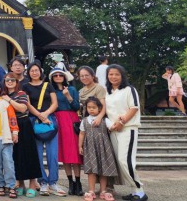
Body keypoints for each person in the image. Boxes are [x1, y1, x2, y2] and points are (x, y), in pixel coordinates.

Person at [23, 62, 66, 196]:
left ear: (40, 72)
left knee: (53, 153)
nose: (34, 73)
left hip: (49, 120)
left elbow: (55, 103)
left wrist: (45, 114)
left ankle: (53, 181)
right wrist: (39, 115)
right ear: (28, 73)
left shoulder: (48, 85)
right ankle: (43, 182)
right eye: (32, 71)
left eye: (36, 70)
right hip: (34, 120)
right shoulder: (26, 86)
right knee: (38, 153)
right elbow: (27, 104)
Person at [105, 64, 147, 201]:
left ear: (122, 76)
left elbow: (134, 107)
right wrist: (111, 125)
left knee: (125, 161)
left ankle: (140, 190)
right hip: (113, 130)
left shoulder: (130, 89)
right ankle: (135, 191)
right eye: (111, 74)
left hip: (128, 128)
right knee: (119, 161)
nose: (113, 77)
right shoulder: (107, 92)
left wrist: (122, 122)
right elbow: (105, 111)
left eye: (116, 74)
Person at [3, 73, 42, 197]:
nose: (9, 82)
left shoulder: (21, 93)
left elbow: (22, 108)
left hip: (24, 125)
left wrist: (9, 100)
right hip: (10, 126)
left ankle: (32, 184)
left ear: (16, 82)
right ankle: (20, 183)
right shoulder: (2, 95)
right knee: (16, 156)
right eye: (7, 80)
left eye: (12, 80)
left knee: (29, 154)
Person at [49, 65, 83, 196]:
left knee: (74, 151)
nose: (58, 77)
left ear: (64, 76)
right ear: (52, 78)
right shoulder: (51, 91)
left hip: (71, 118)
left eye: (60, 75)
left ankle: (78, 182)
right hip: (58, 120)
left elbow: (75, 107)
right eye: (55, 75)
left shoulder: (72, 89)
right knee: (64, 151)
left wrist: (68, 95)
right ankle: (70, 182)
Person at [78, 97, 117, 201]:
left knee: (104, 169)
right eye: (89, 107)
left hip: (104, 147)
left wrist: (119, 122)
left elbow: (112, 127)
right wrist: (80, 146)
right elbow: (82, 133)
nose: (91, 109)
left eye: (94, 107)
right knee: (91, 169)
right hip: (90, 147)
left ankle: (103, 191)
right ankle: (91, 190)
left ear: (100, 109)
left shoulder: (105, 120)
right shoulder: (84, 120)